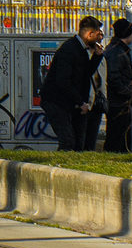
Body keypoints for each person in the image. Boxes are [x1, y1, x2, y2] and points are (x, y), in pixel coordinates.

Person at [39, 15, 103, 150]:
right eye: (98, 34)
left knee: (78, 142)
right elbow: (63, 81)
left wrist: (97, 56)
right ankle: (60, 167)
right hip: (56, 101)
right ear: (89, 34)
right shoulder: (70, 50)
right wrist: (80, 102)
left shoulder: (81, 50)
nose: (100, 38)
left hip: (70, 102)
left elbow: (85, 74)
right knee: (67, 140)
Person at [102, 18, 132, 152]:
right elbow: (113, 79)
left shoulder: (118, 49)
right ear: (127, 34)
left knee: (121, 137)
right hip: (118, 102)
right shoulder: (116, 52)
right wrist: (129, 93)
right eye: (131, 33)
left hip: (119, 101)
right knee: (117, 138)